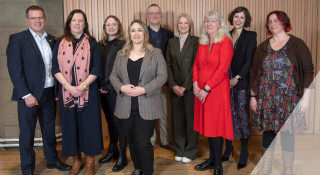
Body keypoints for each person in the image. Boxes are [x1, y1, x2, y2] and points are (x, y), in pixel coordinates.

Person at [6, 5, 71, 175]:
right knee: (27, 134)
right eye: (33, 18)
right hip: (29, 95)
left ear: (45, 19)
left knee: (49, 130)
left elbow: (56, 67)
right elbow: (15, 71)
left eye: (40, 17)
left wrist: (57, 89)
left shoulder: (52, 39)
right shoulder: (18, 39)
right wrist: (26, 94)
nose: (37, 21)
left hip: (49, 94)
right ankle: (27, 169)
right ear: (27, 20)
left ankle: (52, 160)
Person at [249, 10, 314, 175]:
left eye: (276, 20)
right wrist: (253, 96)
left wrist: (306, 98)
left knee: (287, 133)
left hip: (290, 98)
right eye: (270, 21)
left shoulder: (297, 44)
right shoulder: (262, 47)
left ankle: (287, 169)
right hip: (266, 98)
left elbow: (308, 71)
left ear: (284, 22)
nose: (272, 24)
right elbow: (254, 72)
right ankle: (266, 166)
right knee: (268, 131)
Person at [110, 19, 167, 175]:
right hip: (125, 105)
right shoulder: (121, 54)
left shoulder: (155, 53)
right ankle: (138, 169)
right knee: (132, 141)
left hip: (147, 105)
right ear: (129, 33)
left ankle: (148, 172)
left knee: (143, 142)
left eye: (139, 30)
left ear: (145, 33)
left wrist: (144, 89)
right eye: (133, 30)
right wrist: (121, 87)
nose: (136, 33)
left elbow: (162, 76)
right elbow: (113, 76)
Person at [52, 9, 103, 175]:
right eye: (74, 20)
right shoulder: (59, 42)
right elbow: (55, 68)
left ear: (85, 24)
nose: (77, 23)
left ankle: (90, 162)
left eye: (81, 21)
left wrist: (82, 87)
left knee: (90, 127)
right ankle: (76, 160)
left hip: (88, 92)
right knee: (70, 127)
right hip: (67, 92)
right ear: (69, 23)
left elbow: (96, 69)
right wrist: (68, 87)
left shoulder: (93, 43)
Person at [193, 10, 234, 175]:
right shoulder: (203, 41)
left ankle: (218, 165)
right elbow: (196, 64)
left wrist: (206, 89)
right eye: (207, 21)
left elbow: (222, 69)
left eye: (213, 21)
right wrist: (195, 84)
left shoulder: (225, 41)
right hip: (201, 90)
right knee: (208, 127)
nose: (209, 24)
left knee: (215, 128)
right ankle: (211, 160)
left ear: (220, 24)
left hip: (215, 90)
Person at [221, 6, 257, 169]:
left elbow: (249, 60)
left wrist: (236, 78)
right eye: (236, 16)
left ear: (246, 20)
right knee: (227, 115)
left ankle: (243, 151)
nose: (238, 20)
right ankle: (228, 148)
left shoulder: (251, 36)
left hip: (241, 82)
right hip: (223, 82)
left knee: (242, 116)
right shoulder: (225, 34)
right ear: (232, 18)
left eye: (242, 17)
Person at [166, 13, 199, 163]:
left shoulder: (196, 41)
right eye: (180, 23)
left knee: (191, 120)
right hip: (175, 88)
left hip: (190, 87)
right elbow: (168, 65)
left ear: (190, 25)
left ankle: (191, 151)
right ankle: (179, 149)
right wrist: (173, 85)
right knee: (178, 120)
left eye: (186, 23)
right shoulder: (171, 42)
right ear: (177, 25)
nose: (183, 25)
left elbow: (195, 65)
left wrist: (185, 86)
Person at [97, 15, 128, 172]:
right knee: (110, 121)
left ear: (119, 26)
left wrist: (109, 85)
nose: (111, 27)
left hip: (116, 90)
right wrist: (98, 85)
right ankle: (113, 150)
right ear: (104, 27)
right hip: (100, 89)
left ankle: (123, 154)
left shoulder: (124, 45)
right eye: (108, 24)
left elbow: (123, 70)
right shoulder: (99, 45)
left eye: (114, 24)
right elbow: (94, 66)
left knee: (119, 122)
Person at [146, 3, 175, 151]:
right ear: (147, 16)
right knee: (148, 112)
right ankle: (150, 141)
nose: (155, 16)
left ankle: (165, 140)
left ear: (161, 16)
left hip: (164, 79)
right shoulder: (141, 33)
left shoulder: (170, 35)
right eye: (151, 13)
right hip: (146, 80)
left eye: (157, 13)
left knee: (164, 112)